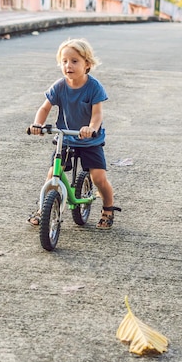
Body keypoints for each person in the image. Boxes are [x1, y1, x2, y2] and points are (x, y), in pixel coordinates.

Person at [28, 38, 120, 229]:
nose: (68, 65)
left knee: (98, 177)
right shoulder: (60, 86)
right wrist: (38, 123)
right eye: (64, 61)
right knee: (53, 174)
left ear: (87, 64)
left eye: (74, 61)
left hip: (89, 141)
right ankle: (42, 209)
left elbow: (97, 114)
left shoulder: (93, 87)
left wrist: (91, 128)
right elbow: (44, 108)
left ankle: (108, 208)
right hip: (66, 138)